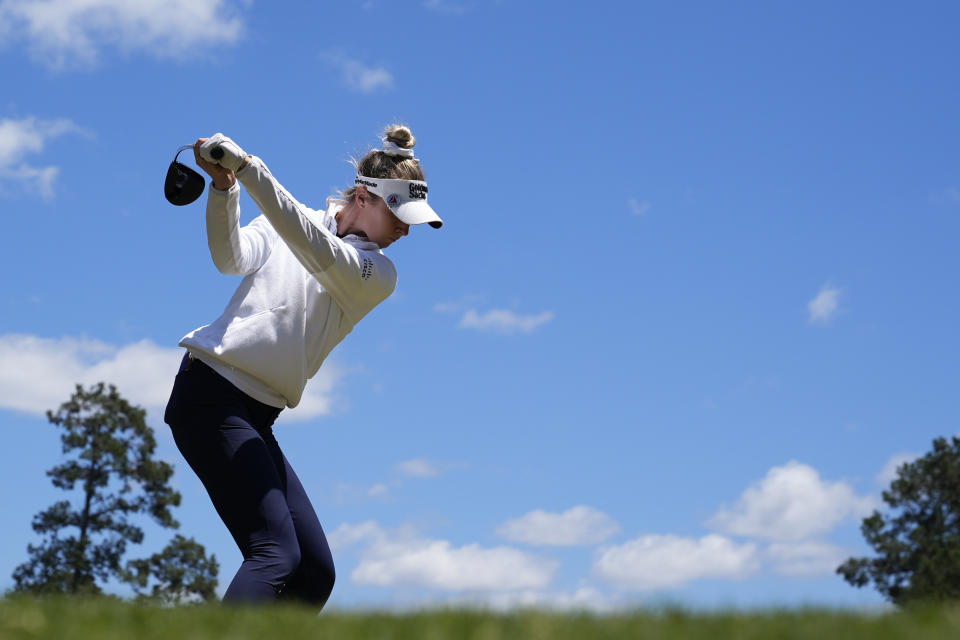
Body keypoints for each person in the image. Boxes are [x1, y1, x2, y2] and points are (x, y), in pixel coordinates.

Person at [163, 125, 441, 610]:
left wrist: (249, 170)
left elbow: (311, 243)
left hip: (255, 413)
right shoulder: (290, 223)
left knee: (314, 572)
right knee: (274, 553)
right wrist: (226, 189)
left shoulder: (377, 274)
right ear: (363, 195)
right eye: (398, 213)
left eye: (411, 220)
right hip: (209, 395)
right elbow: (231, 258)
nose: (404, 229)